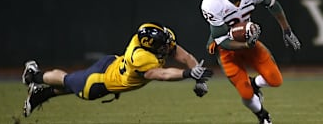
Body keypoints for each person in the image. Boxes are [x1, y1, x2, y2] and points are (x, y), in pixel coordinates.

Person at [21, 22, 213, 117]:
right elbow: (160, 74)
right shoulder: (140, 57)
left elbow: (185, 57)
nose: (167, 48)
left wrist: (199, 79)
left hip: (111, 64)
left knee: (73, 84)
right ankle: (34, 75)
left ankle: (41, 93)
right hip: (102, 80)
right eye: (162, 46)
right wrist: (188, 74)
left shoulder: (153, 38)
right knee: (71, 83)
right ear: (150, 46)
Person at [200, 0, 301, 124]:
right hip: (227, 49)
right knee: (246, 95)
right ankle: (263, 116)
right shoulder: (212, 3)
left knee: (275, 80)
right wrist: (246, 43)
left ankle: (255, 84)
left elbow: (272, 4)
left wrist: (286, 29)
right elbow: (221, 40)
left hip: (249, 42)